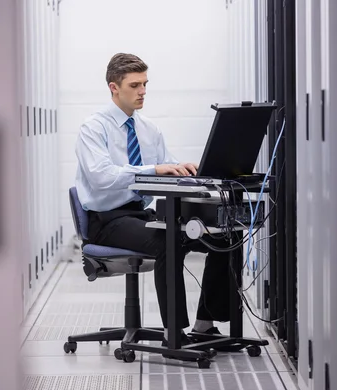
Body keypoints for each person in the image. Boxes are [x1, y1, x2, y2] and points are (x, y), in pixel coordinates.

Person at [74, 53, 232, 344]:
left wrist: (188, 172)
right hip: (107, 220)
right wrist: (152, 169)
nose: (143, 91)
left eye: (145, 84)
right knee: (168, 241)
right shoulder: (93, 128)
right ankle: (174, 333)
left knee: (224, 237)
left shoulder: (149, 130)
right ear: (114, 88)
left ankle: (205, 323)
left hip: (140, 215)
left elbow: (167, 168)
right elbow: (101, 176)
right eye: (135, 85)